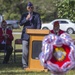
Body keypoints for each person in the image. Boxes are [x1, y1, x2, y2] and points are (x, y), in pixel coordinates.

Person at [20, 2, 41, 69]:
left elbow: (39, 24)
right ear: (27, 8)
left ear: (33, 8)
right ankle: (24, 65)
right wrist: (26, 19)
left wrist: (36, 32)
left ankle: (34, 64)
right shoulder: (24, 15)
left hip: (34, 36)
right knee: (25, 51)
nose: (30, 9)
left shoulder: (37, 15)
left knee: (34, 51)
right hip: (25, 35)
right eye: (29, 7)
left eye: (31, 7)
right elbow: (20, 23)